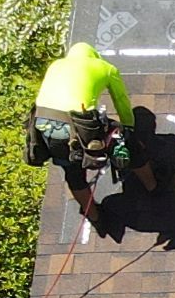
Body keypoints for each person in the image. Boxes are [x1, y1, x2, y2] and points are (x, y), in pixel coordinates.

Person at [29, 41, 154, 214]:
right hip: (74, 123)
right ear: (93, 55)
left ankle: (94, 216)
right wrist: (128, 129)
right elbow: (121, 101)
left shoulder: (56, 64)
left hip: (42, 125)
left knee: (72, 168)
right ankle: (153, 187)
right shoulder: (105, 67)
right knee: (128, 146)